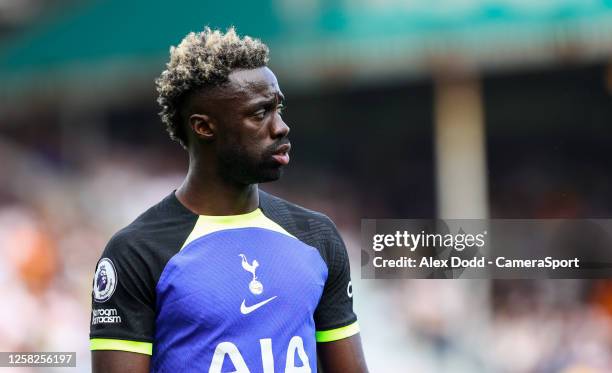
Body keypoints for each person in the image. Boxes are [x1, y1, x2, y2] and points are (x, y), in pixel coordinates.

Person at [90, 27, 368, 373]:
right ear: (204, 127)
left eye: (278, 108)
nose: (281, 127)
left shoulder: (316, 236)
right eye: (259, 113)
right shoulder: (137, 252)